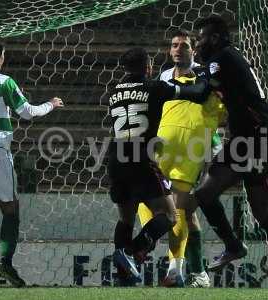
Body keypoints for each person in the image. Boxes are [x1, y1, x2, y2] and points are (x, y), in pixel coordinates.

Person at [192, 16, 268, 288]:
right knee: (205, 193)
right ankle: (234, 245)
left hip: (259, 141)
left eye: (200, 37)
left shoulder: (221, 57)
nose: (197, 43)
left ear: (213, 38)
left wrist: (173, 87)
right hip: (245, 141)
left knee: (260, 211)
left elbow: (201, 92)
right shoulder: (227, 58)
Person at [108, 47, 210, 285]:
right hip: (142, 160)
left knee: (126, 219)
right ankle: (131, 251)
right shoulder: (155, 87)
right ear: (148, 67)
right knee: (170, 215)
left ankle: (124, 276)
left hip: (115, 159)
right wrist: (204, 78)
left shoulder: (113, 92)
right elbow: (196, 92)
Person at [137, 29, 226, 288]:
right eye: (175, 45)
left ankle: (177, 270)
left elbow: (213, 113)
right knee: (176, 210)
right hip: (162, 149)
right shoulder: (164, 76)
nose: (178, 49)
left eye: (184, 45)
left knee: (180, 209)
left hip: (190, 151)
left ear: (193, 50)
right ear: (169, 50)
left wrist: (213, 147)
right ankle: (198, 273)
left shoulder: (204, 75)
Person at [0, 32, 64, 287]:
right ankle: (6, 263)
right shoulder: (3, 81)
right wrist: (50, 104)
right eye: (3, 55)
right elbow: (27, 113)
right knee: (10, 209)